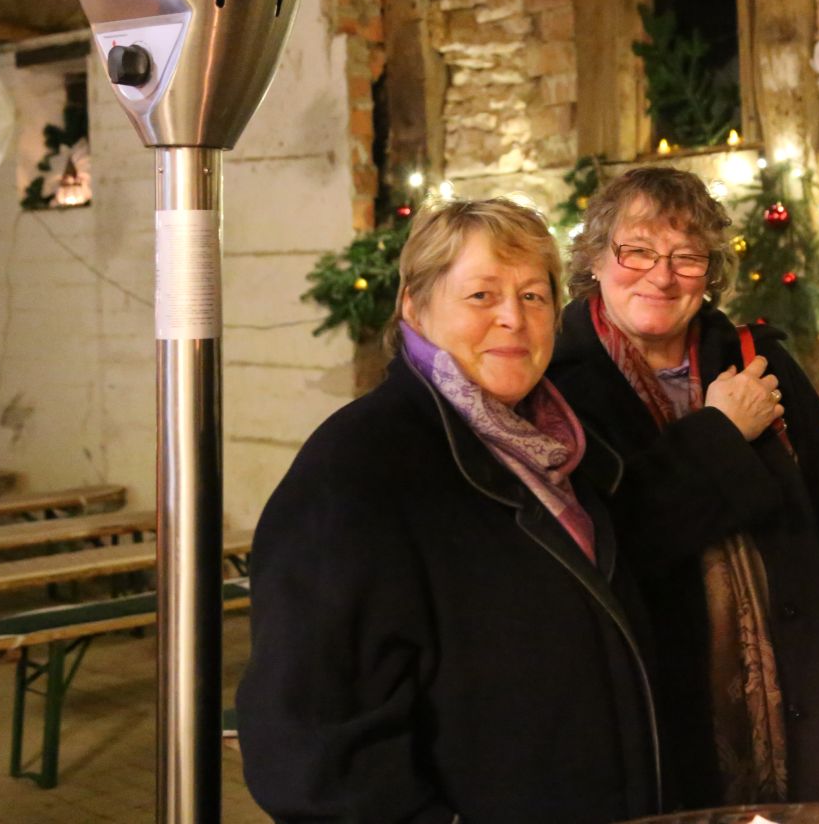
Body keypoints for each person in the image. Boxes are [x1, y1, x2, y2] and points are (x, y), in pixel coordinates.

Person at [237, 199, 660, 824]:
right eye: (482, 296)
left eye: (533, 297)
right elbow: (313, 748)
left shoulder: (563, 455)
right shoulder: (359, 469)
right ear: (415, 305)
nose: (513, 319)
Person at [547, 165, 819, 808]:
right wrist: (721, 433)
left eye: (686, 257)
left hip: (800, 708)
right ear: (595, 257)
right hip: (658, 718)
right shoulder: (556, 379)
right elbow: (611, 551)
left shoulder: (759, 359)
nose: (661, 276)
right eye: (636, 250)